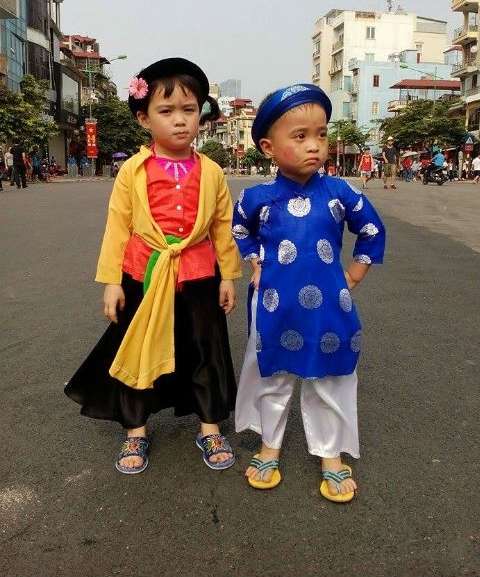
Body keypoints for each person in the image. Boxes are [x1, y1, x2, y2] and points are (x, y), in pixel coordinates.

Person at [64, 57, 242, 474]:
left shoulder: (212, 172)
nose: (179, 121)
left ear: (202, 115)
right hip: (143, 274)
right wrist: (112, 281)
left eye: (189, 110)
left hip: (199, 274)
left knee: (204, 350)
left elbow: (223, 227)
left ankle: (209, 426)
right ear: (145, 118)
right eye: (166, 111)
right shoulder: (133, 170)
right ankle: (135, 432)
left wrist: (229, 275)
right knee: (139, 348)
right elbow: (118, 227)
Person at [231, 83, 385, 503]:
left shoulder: (341, 192)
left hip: (328, 309)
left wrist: (356, 271)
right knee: (273, 375)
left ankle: (330, 454)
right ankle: (269, 448)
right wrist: (253, 260)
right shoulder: (257, 197)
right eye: (299, 137)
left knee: (329, 376)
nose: (313, 146)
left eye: (320, 134)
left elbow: (371, 229)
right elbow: (239, 228)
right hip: (274, 307)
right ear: (268, 145)